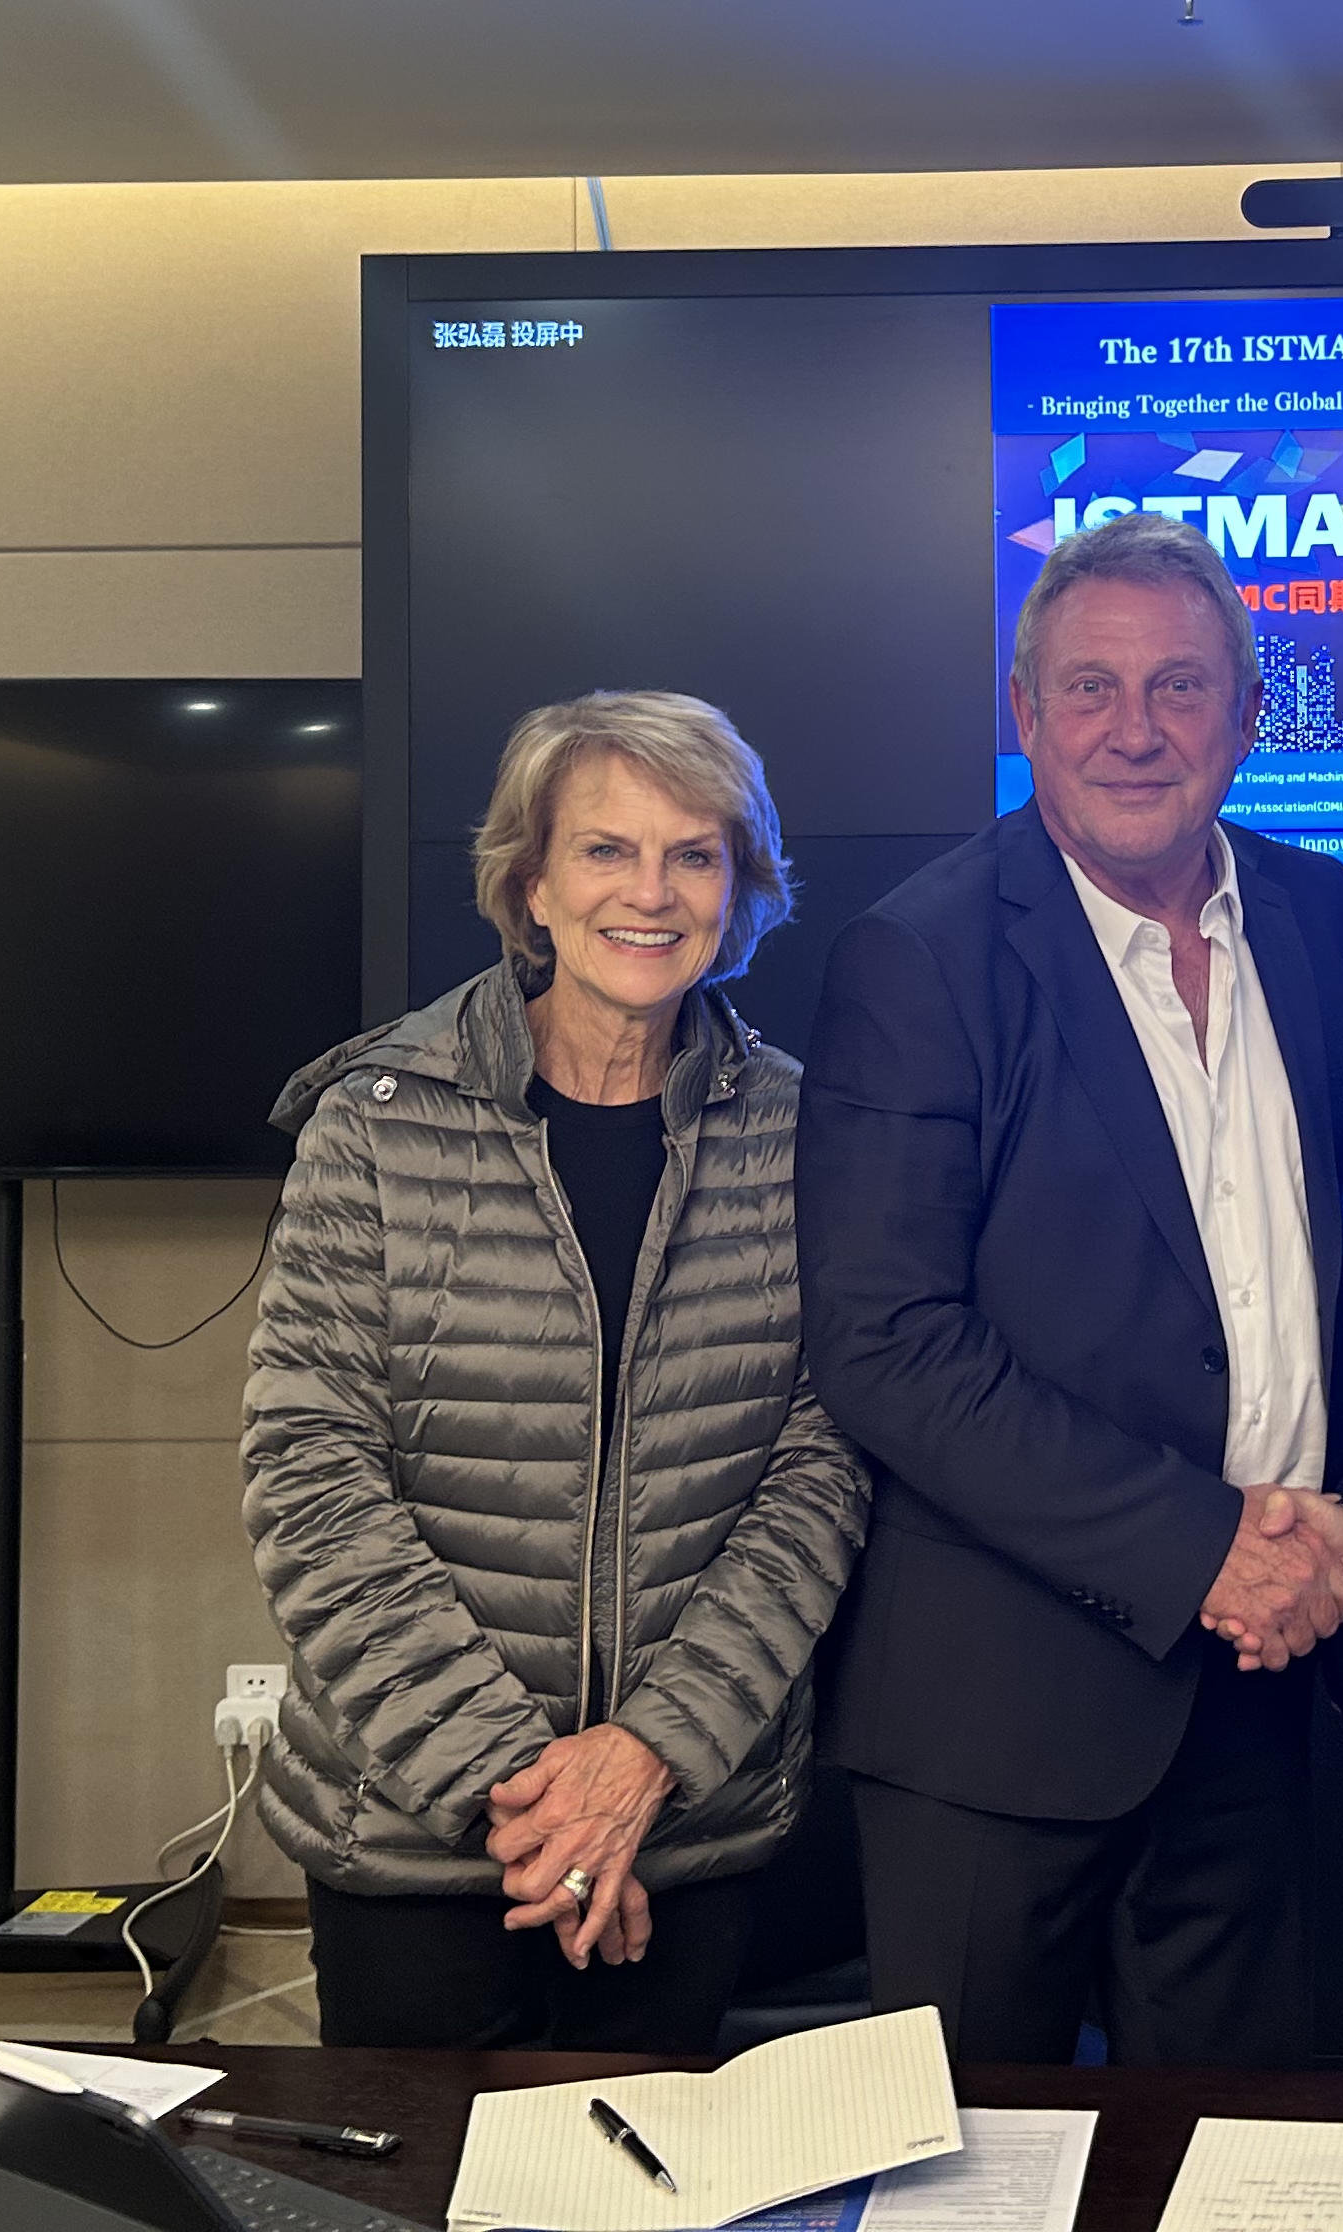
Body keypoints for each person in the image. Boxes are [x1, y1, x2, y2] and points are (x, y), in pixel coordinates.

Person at [796, 511, 1343, 2066]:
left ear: (1250, 715)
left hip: (1268, 1690)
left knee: (1226, 2158)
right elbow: (887, 1342)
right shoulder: (920, 956)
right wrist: (1204, 1547)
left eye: (1179, 686)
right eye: (1090, 687)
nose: (1134, 730)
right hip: (999, 1725)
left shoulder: (1318, 916)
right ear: (1026, 715)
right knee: (966, 2164)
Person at [243, 690, 867, 2051]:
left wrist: (642, 1762)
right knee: (426, 2169)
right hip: (412, 1838)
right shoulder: (372, 1128)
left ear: (738, 888)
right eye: (605, 850)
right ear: (531, 881)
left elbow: (818, 1478)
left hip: (684, 1827)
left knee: (656, 2164)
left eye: (694, 854)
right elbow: (310, 1482)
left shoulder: (805, 1136)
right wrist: (533, 1801)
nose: (650, 892)